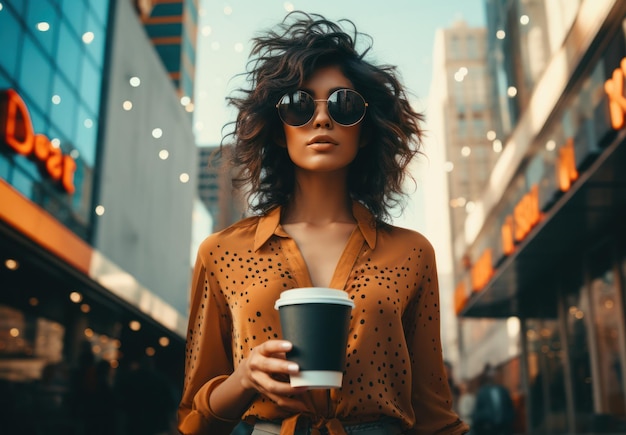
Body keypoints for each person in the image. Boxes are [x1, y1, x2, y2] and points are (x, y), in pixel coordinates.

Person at [178, 11, 469, 435]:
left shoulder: (412, 253)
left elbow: (434, 414)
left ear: (365, 130)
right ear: (279, 131)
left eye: (343, 104)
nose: (321, 119)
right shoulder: (222, 252)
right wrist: (244, 379)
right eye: (298, 105)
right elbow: (193, 421)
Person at [471, 364, 514, 435]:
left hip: (504, 428)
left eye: (494, 372)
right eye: (490, 372)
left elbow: (510, 407)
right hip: (489, 429)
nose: (492, 375)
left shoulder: (503, 391)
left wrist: (508, 420)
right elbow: (477, 412)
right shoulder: (482, 392)